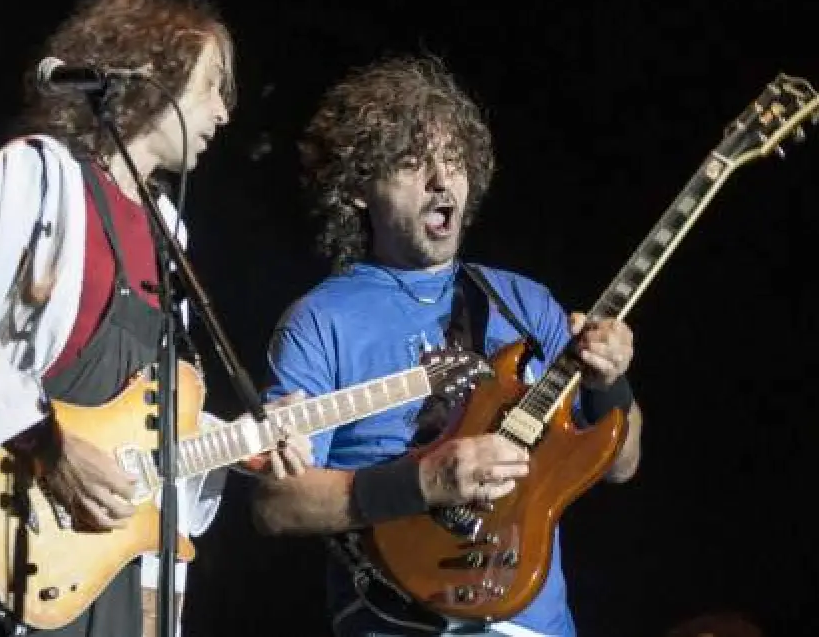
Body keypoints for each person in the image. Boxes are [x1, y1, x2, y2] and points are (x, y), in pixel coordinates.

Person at [0, 0, 310, 637]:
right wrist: (44, 443)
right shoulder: (38, 174)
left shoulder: (169, 233)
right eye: (211, 86)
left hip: (90, 573)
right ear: (152, 72)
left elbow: (135, 415)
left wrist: (241, 444)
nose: (223, 113)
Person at [251, 54, 645, 637]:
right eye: (413, 163)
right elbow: (276, 503)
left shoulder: (524, 301)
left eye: (454, 159)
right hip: (396, 622)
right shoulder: (320, 320)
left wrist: (611, 381)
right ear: (359, 187)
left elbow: (622, 463)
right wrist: (426, 481)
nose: (442, 181)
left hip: (536, 623)